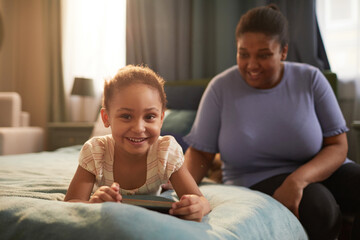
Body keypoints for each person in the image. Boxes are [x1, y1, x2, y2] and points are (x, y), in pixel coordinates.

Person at [183, 4, 360, 239]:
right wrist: (178, 190)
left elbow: (338, 145)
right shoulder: (220, 88)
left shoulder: (311, 79)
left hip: (318, 168)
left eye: (264, 54)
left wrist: (297, 180)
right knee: (320, 208)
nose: (251, 64)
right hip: (255, 179)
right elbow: (200, 154)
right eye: (243, 53)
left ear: (283, 52)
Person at [64, 65, 211, 222]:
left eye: (149, 117)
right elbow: (70, 203)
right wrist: (92, 205)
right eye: (126, 116)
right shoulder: (95, 152)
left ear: (161, 119)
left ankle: (168, 184)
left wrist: (197, 207)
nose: (139, 128)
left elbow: (202, 201)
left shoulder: (166, 152)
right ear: (106, 118)